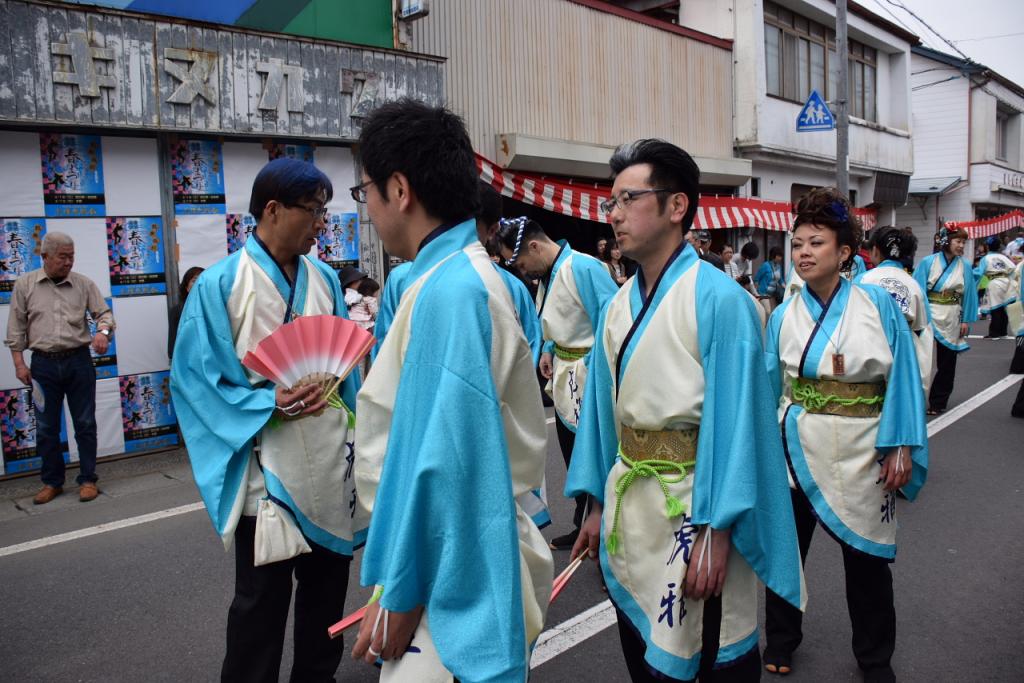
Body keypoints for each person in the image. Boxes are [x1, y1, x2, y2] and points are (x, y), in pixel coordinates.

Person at [568, 139, 804, 682]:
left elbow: (739, 426)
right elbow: (604, 418)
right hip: (635, 501)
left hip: (696, 507)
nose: (615, 215)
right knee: (644, 646)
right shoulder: (617, 305)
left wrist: (716, 531)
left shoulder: (720, 300)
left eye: (629, 199)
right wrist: (598, 506)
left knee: (710, 645)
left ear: (677, 207)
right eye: (611, 204)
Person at [350, 99, 553, 682]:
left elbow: (448, 469)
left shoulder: (450, 291)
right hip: (456, 547)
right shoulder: (449, 277)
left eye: (366, 191)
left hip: (451, 561)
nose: (367, 210)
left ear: (399, 188)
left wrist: (403, 594)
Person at [170, 157, 364, 683]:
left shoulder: (324, 278)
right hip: (265, 469)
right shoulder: (221, 284)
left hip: (328, 465)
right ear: (273, 210)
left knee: (326, 599)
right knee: (259, 605)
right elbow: (194, 381)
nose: (323, 223)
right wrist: (267, 403)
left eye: (325, 211)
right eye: (314, 211)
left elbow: (346, 372)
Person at [763, 188, 927, 683]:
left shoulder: (877, 304)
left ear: (844, 252)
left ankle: (875, 657)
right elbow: (771, 385)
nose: (804, 253)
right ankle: (782, 639)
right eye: (797, 244)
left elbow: (903, 380)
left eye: (816, 242)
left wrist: (900, 444)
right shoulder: (784, 313)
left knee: (867, 561)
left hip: (865, 446)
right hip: (798, 442)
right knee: (787, 551)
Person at [495, 214, 618, 551]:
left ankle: (609, 532)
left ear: (534, 246)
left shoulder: (584, 267)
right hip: (566, 370)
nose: (522, 269)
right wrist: (549, 348)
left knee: (595, 453)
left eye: (520, 261)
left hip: (587, 372)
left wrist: (594, 367)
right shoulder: (552, 274)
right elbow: (560, 318)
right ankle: (583, 522)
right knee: (572, 453)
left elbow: (613, 321)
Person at [5, 231, 114, 505]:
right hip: (42, 365)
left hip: (78, 361)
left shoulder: (83, 284)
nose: (68, 262)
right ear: (45, 256)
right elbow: (16, 327)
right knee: (45, 428)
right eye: (62, 257)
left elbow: (104, 314)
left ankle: (88, 479)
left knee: (85, 423)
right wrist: (19, 363)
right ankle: (52, 481)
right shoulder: (25, 285)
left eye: (71, 256)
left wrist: (102, 332)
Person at [857, 226, 933, 395]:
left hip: (867, 349)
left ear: (875, 250)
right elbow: (922, 329)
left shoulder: (862, 280)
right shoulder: (914, 285)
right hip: (902, 353)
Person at [913, 227, 979, 415]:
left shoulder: (965, 265)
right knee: (921, 359)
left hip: (952, 315)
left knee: (947, 363)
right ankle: (915, 399)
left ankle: (938, 402)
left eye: (963, 242)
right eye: (958, 241)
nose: (961, 246)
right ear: (945, 242)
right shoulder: (927, 262)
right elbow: (917, 291)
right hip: (928, 314)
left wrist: (966, 319)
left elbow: (969, 294)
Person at [973, 237, 1017, 338]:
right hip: (1006, 282)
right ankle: (1003, 332)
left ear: (987, 247)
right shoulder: (1004, 257)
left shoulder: (986, 258)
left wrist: (969, 273)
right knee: (1004, 308)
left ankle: (994, 332)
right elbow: (1013, 269)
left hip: (994, 282)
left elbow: (979, 272)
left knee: (995, 307)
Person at [168, 266, 204, 359]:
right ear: (186, 287)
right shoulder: (177, 311)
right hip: (187, 360)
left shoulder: (215, 308)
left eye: (202, 279)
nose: (198, 283)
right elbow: (172, 343)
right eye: (194, 280)